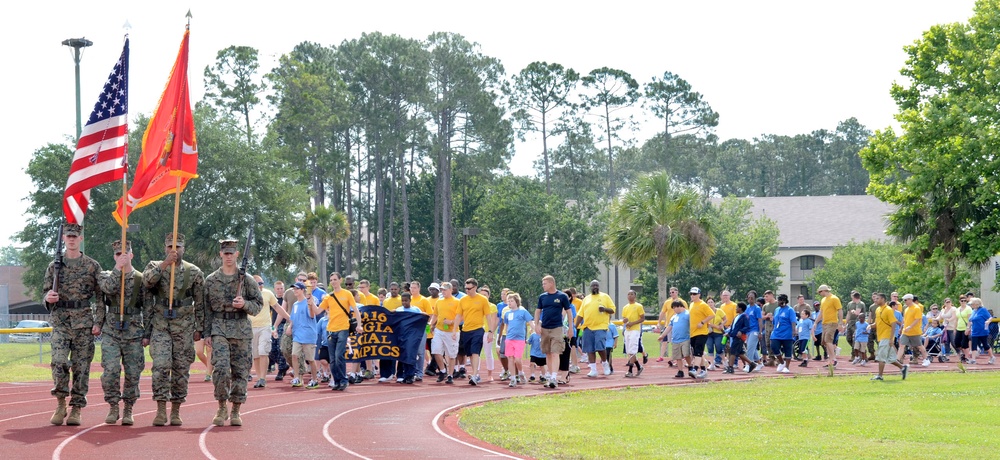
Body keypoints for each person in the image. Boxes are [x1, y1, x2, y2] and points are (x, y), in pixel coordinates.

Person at [143, 232, 205, 427]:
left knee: (180, 369)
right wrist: (164, 264)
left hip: (184, 326)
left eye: (177, 247)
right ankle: (161, 409)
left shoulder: (193, 272)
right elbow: (146, 282)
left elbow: (201, 302)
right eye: (170, 247)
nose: (174, 250)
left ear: (183, 248)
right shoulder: (154, 266)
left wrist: (200, 328)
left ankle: (176, 410)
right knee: (161, 367)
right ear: (165, 248)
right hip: (161, 325)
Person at [43, 223, 102, 426]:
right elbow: (45, 292)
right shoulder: (54, 266)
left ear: (80, 239)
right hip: (61, 321)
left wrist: (99, 321)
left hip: (83, 322)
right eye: (68, 236)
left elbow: (101, 297)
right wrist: (48, 298)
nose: (71, 239)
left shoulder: (92, 265)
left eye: (75, 236)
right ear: (63, 239)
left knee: (81, 367)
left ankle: (76, 408)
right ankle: (60, 403)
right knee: (59, 362)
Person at [204, 239, 263, 426]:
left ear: (237, 254)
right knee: (220, 369)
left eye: (232, 253)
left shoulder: (247, 280)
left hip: (241, 330)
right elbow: (206, 309)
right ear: (220, 254)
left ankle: (236, 409)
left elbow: (258, 304)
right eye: (225, 253)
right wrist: (206, 333)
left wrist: (244, 304)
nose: (229, 256)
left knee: (240, 372)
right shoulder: (211, 280)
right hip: (219, 327)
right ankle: (222, 406)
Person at [97, 240, 148, 425]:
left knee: (133, 372)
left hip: (133, 332)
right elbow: (108, 289)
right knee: (110, 371)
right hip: (111, 331)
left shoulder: (140, 279)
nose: (122, 256)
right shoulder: (106, 276)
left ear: (132, 255)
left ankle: (128, 407)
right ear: (114, 256)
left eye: (125, 253)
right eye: (118, 254)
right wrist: (118, 269)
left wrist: (147, 333)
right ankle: (113, 405)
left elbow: (147, 307)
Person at [319, 272, 364, 391]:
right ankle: (337, 381)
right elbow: (318, 311)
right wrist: (310, 302)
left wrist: (359, 325)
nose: (333, 282)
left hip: (343, 328)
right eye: (331, 280)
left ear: (340, 280)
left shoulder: (347, 294)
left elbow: (355, 309)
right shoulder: (329, 297)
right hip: (330, 330)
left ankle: (343, 380)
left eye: (335, 279)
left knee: (339, 356)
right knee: (332, 359)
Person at [534, 275, 573, 389]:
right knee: (548, 353)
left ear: (551, 283)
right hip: (545, 328)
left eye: (545, 283)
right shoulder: (542, 297)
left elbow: (569, 313)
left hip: (557, 328)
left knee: (555, 352)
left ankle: (554, 378)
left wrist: (571, 328)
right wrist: (536, 325)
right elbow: (537, 311)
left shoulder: (562, 296)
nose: (543, 286)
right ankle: (550, 376)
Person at [454, 278, 493, 386]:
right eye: (466, 288)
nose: (467, 290)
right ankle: (476, 373)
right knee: (470, 353)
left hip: (478, 329)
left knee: (475, 351)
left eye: (469, 288)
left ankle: (475, 375)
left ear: (475, 287)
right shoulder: (463, 300)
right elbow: (458, 316)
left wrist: (490, 331)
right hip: (466, 330)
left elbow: (488, 316)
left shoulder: (482, 300)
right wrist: (454, 330)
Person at [576, 280, 616, 379]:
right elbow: (581, 314)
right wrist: (575, 325)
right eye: (593, 285)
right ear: (590, 287)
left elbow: (613, 310)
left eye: (596, 285)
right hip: (588, 326)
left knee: (600, 346)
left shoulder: (605, 297)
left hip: (601, 326)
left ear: (599, 286)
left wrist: (605, 309)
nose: (595, 287)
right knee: (590, 349)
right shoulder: (586, 299)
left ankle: (605, 363)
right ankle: (593, 370)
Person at [286, 281, 322, 389]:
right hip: (297, 334)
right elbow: (292, 318)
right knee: (294, 355)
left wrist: (311, 305)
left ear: (302, 290)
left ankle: (315, 380)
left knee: (310, 359)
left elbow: (312, 315)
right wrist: (289, 327)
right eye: (294, 289)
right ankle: (297, 378)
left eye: (297, 289)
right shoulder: (295, 305)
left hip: (308, 334)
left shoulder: (308, 302)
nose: (295, 291)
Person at [498, 293, 532, 387]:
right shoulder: (507, 314)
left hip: (519, 339)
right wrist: (504, 336)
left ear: (517, 302)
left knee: (517, 359)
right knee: (510, 358)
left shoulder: (523, 312)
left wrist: (533, 329)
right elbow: (506, 325)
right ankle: (513, 378)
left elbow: (530, 321)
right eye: (508, 301)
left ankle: (520, 373)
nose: (509, 302)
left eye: (511, 301)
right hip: (509, 339)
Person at [251, 275, 279, 388]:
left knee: (263, 351)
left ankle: (263, 378)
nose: (261, 285)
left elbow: (277, 307)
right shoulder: (247, 295)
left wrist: (289, 318)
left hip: (265, 327)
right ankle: (259, 378)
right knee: (256, 355)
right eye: (259, 283)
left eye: (262, 283)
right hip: (251, 327)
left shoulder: (268, 294)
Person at [872, 293, 908, 381]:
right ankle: (903, 368)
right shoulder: (877, 310)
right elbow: (877, 323)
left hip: (886, 336)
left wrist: (891, 338)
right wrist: (870, 325)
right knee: (891, 358)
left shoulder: (888, 310)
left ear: (883, 299)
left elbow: (893, 323)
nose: (875, 300)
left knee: (881, 356)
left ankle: (880, 376)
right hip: (881, 337)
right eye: (875, 298)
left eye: (878, 298)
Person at [431, 281, 460, 384]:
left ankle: (450, 375)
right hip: (439, 330)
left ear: (450, 290)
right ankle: (442, 371)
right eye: (442, 290)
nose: (443, 291)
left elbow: (461, 316)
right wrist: (431, 324)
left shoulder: (457, 302)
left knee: (451, 354)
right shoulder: (439, 301)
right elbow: (435, 314)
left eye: (445, 289)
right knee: (435, 351)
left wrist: (451, 322)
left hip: (452, 331)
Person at [394, 292, 423, 384]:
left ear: (410, 300)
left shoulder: (416, 310)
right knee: (403, 355)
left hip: (412, 336)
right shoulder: (399, 310)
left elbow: (422, 319)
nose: (404, 303)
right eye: (402, 301)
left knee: (410, 355)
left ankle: (410, 375)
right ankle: (404, 375)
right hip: (402, 336)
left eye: (406, 301)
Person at [687, 287, 715, 379]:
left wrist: (702, 322)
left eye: (694, 294)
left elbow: (712, 315)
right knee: (698, 352)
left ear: (699, 295)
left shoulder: (703, 305)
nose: (692, 296)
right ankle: (703, 369)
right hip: (693, 332)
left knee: (698, 352)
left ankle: (695, 369)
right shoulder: (691, 305)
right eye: (691, 294)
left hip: (702, 332)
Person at [816, 285, 844, 374]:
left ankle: (833, 359)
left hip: (832, 322)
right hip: (825, 323)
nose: (820, 294)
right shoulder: (823, 300)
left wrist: (840, 323)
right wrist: (816, 322)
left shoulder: (834, 298)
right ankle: (830, 359)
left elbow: (840, 310)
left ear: (824, 290)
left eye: (820, 292)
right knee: (824, 341)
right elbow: (821, 312)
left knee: (828, 340)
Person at [657, 286, 688, 363]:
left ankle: (681, 357)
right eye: (670, 292)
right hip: (669, 324)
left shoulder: (682, 302)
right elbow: (663, 312)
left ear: (677, 292)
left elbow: (686, 312)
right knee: (665, 341)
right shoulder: (667, 302)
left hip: (679, 325)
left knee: (678, 342)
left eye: (673, 292)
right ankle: (661, 356)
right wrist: (659, 322)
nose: (671, 294)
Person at [661, 301, 691, 378]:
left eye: (675, 307)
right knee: (678, 357)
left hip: (685, 338)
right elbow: (669, 327)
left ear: (680, 306)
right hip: (675, 339)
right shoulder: (674, 316)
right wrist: (663, 335)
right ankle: (680, 371)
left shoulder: (687, 314)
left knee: (686, 354)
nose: (674, 309)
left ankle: (690, 367)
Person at [897, 294, 928, 366]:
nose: (904, 302)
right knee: (902, 345)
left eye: (905, 300)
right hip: (906, 332)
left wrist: (910, 327)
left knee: (919, 346)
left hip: (915, 331)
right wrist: (902, 328)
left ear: (910, 299)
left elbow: (917, 319)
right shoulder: (906, 309)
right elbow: (904, 319)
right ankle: (897, 360)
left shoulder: (916, 308)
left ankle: (926, 359)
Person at [724, 303, 755, 374]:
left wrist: (741, 331)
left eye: (737, 307)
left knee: (733, 351)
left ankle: (730, 368)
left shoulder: (745, 316)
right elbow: (733, 327)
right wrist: (729, 333)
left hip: (739, 337)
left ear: (740, 308)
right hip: (734, 336)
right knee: (739, 352)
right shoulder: (736, 317)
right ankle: (752, 364)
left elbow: (747, 327)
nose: (735, 309)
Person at [770, 294, 796, 374]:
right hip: (777, 332)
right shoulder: (777, 309)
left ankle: (787, 367)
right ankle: (781, 362)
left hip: (787, 332)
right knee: (773, 346)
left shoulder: (790, 310)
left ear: (783, 301)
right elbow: (775, 321)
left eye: (779, 300)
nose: (778, 302)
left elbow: (793, 321)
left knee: (787, 349)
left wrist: (793, 331)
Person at [621, 290, 645, 377]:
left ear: (635, 296)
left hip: (635, 330)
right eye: (628, 294)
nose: (630, 296)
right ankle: (639, 367)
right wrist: (625, 322)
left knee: (632, 350)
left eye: (632, 294)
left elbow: (642, 318)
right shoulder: (625, 307)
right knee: (629, 351)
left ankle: (630, 370)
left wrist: (633, 323)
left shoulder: (638, 306)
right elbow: (624, 318)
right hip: (627, 330)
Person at [968, 298, 997, 365]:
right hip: (975, 331)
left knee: (985, 345)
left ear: (977, 304)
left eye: (972, 304)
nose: (971, 305)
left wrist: (988, 321)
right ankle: (973, 359)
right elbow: (971, 320)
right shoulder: (974, 311)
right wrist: (969, 327)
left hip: (982, 331)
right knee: (974, 345)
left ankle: (992, 357)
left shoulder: (983, 310)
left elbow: (990, 317)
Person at [744, 291, 763, 371]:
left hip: (754, 330)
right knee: (752, 348)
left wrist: (760, 332)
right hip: (748, 330)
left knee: (750, 348)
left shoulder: (757, 308)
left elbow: (760, 320)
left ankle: (749, 364)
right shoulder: (747, 308)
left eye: (752, 298)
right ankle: (759, 363)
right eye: (749, 297)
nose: (750, 299)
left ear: (755, 299)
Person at [845, 291, 864, 363]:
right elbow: (848, 314)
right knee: (848, 338)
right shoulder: (850, 304)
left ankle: (854, 355)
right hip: (851, 322)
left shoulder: (860, 304)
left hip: (858, 323)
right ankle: (858, 351)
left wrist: (853, 311)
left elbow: (857, 313)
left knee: (854, 339)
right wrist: (845, 324)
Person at [760, 290, 779, 367]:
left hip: (776, 325)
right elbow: (762, 316)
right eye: (764, 296)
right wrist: (766, 316)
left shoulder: (778, 304)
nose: (765, 298)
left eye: (767, 296)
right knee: (767, 342)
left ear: (771, 295)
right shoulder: (765, 306)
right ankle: (771, 358)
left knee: (775, 342)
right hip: (767, 325)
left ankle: (778, 358)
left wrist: (774, 317)